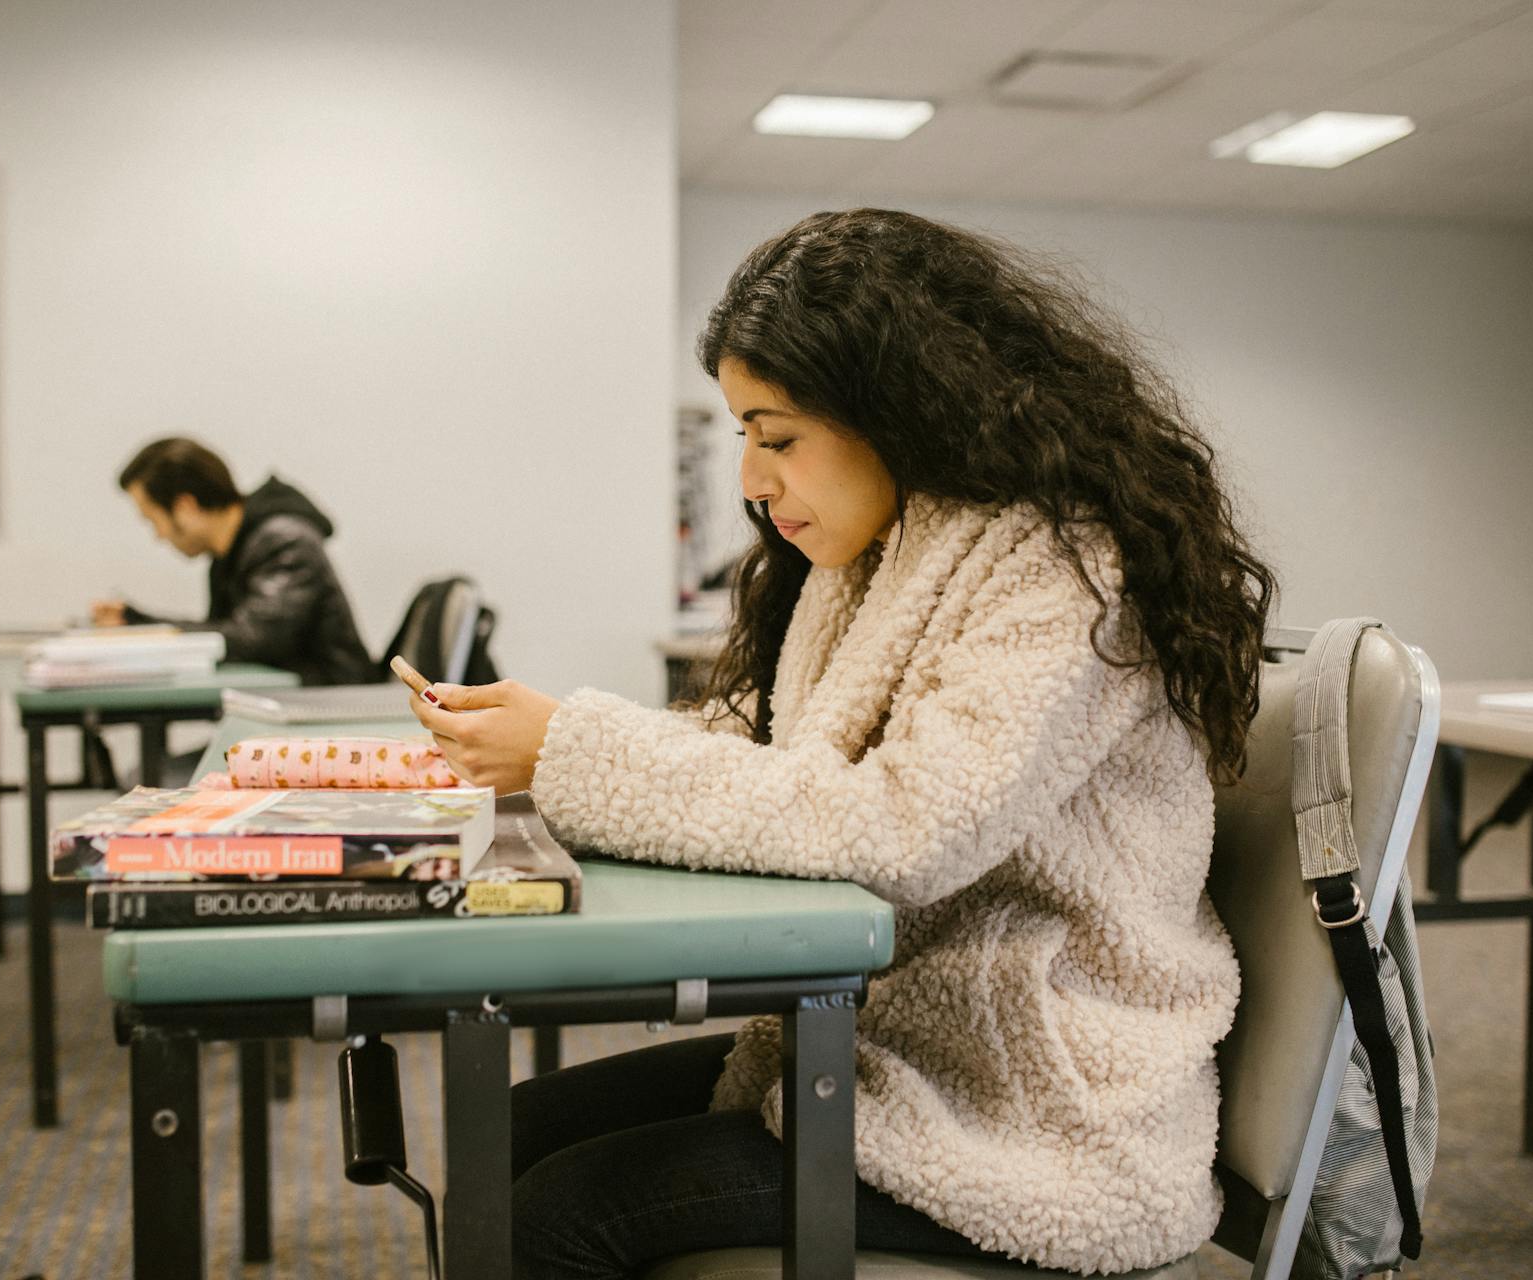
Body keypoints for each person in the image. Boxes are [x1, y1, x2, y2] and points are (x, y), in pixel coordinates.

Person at [410, 209, 1279, 1278]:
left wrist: (574, 753)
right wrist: (540, 751)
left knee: (556, 1213)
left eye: (777, 437)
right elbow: (781, 750)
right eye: (744, 438)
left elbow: (910, 823)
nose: (751, 481)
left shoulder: (1065, 563)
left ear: (904, 411)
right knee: (515, 1128)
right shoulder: (876, 555)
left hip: (1041, 1109)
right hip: (906, 1048)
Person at [93, 437, 371, 686]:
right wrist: (138, 622)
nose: (158, 536)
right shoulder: (230, 552)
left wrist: (144, 626)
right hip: (286, 709)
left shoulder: (285, 541)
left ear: (185, 507)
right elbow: (229, 635)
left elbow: (251, 640)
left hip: (331, 712)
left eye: (153, 521)